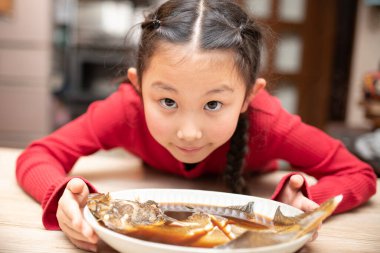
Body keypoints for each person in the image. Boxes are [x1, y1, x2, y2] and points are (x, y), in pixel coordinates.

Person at [16, 0, 376, 252]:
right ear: (138, 85)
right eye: (168, 101)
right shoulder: (126, 109)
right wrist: (63, 195)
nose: (189, 132)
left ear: (250, 96)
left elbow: (359, 173)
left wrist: (305, 202)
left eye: (214, 104)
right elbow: (39, 154)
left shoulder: (268, 123)